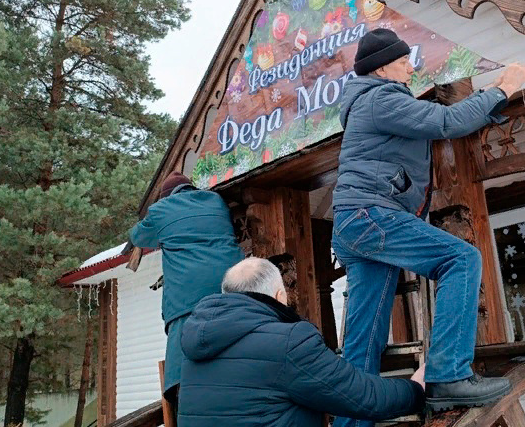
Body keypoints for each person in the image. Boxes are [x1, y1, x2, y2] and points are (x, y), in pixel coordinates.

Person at [332, 28, 525, 420]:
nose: (410, 68)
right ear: (384, 67)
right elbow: (446, 122)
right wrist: (504, 88)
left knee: (364, 343)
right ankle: (447, 375)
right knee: (461, 259)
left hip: (355, 222)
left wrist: (485, 96)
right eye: (404, 61)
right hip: (372, 214)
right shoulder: (380, 98)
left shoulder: (368, 103)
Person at [177, 257, 425, 427]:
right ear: (279, 295)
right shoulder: (288, 343)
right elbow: (361, 396)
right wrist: (416, 390)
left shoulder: (193, 348)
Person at [128, 171, 243, 408]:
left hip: (186, 303)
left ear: (166, 196)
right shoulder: (216, 201)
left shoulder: (161, 210)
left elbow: (138, 236)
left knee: (183, 378)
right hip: (232, 291)